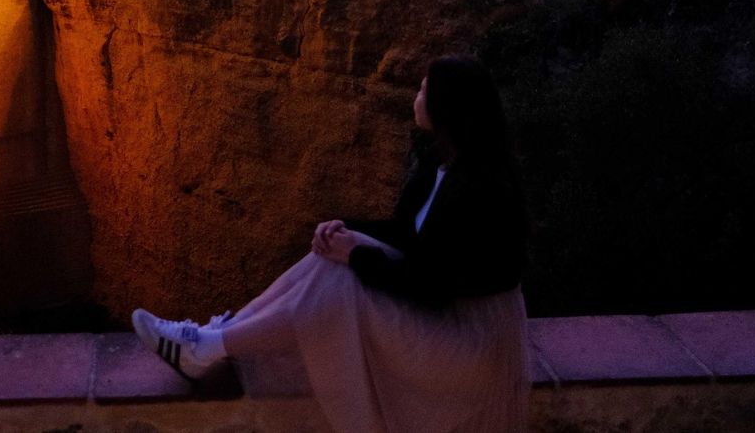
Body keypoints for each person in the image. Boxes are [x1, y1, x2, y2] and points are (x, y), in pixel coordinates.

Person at [131, 56, 531, 433]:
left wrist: (356, 254)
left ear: (447, 108)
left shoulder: (482, 189)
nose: (416, 97)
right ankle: (217, 339)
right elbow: (408, 234)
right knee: (329, 258)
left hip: (471, 341)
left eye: (424, 91)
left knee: (339, 282)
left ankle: (208, 346)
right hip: (442, 308)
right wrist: (344, 231)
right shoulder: (441, 163)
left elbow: (431, 285)